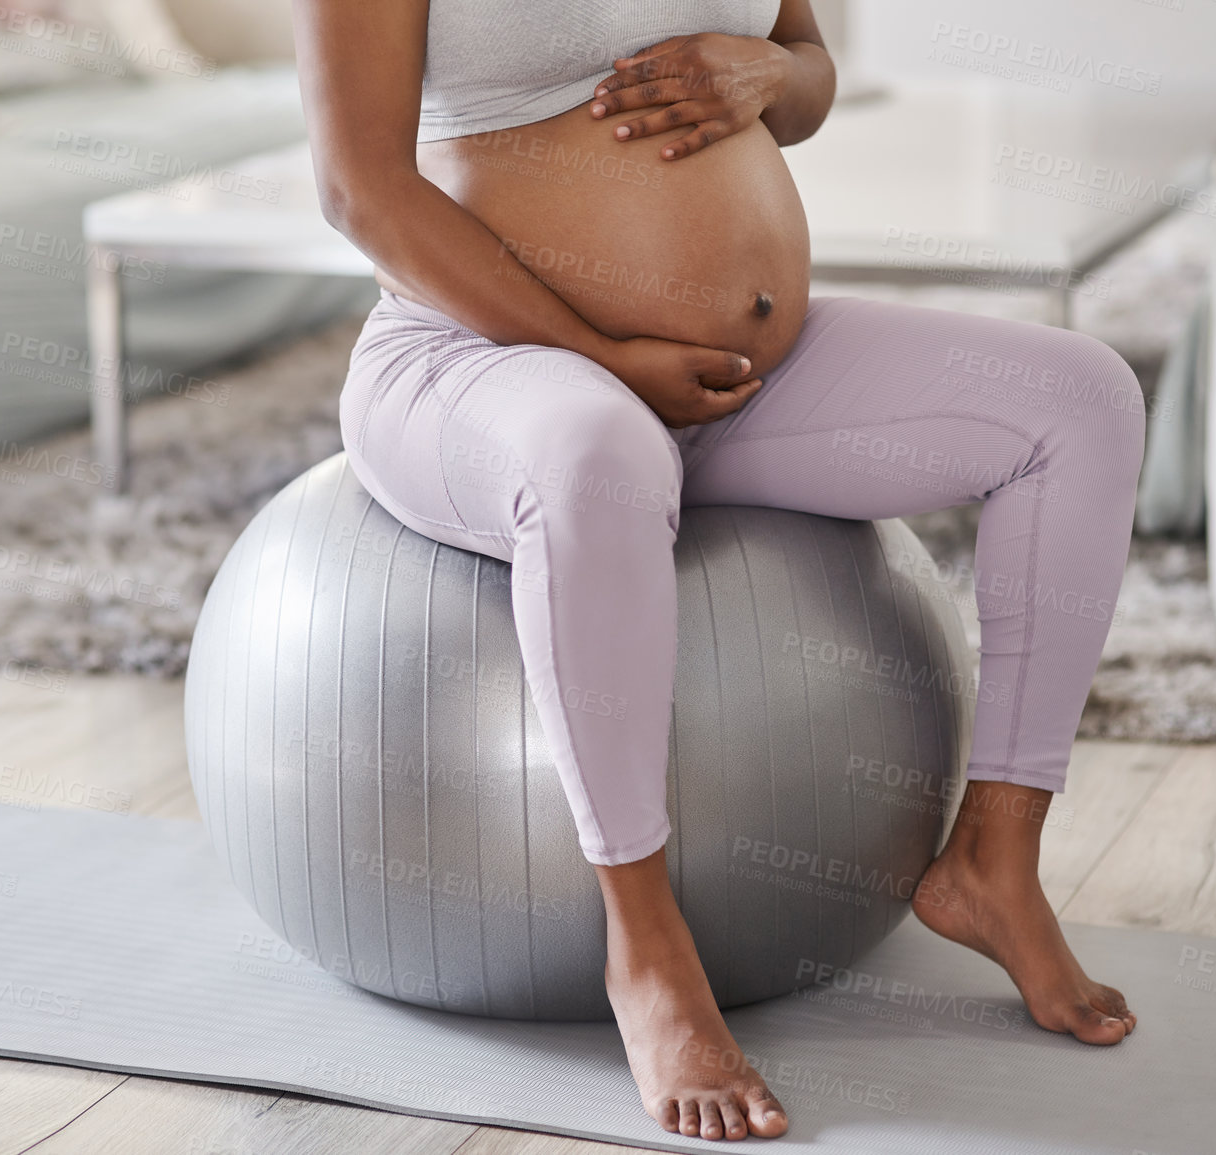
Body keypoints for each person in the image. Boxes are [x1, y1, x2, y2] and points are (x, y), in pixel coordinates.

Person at [293, 0, 1143, 1140]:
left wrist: (762, 74)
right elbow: (358, 185)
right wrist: (600, 357)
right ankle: (645, 956)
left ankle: (997, 857)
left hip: (730, 381)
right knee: (598, 459)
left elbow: (809, 71)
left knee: (1080, 400)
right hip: (478, 360)